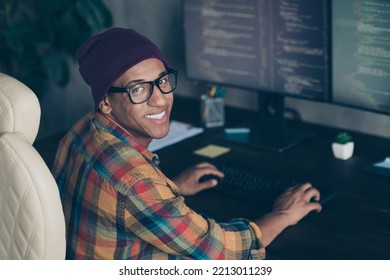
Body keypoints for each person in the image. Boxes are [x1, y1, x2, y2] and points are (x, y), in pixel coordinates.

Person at [52, 27, 322, 260]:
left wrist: (171, 189)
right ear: (106, 103)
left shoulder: (82, 130)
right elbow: (220, 253)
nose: (159, 100)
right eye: (138, 89)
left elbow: (115, 201)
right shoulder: (136, 184)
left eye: (161, 81)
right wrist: (284, 214)